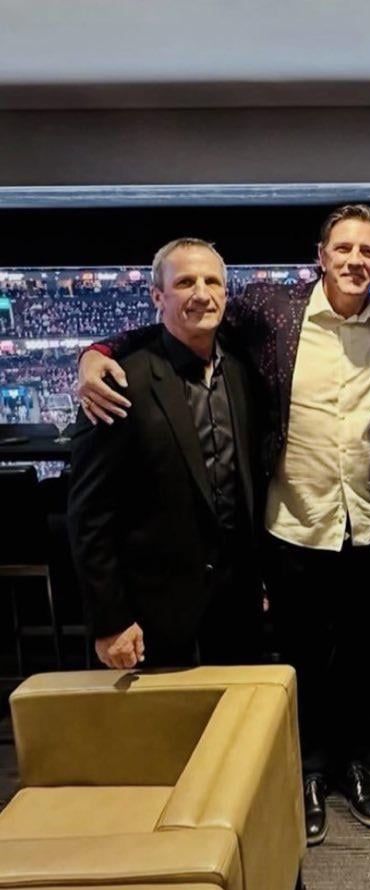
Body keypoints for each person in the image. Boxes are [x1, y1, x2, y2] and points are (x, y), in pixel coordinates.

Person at [76, 205, 370, 847]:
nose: (355, 261)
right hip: (291, 530)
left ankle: (353, 764)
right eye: (343, 248)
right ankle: (309, 772)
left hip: (365, 527)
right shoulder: (274, 314)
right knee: (298, 665)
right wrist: (94, 354)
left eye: (368, 251)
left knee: (363, 662)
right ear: (320, 254)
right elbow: (167, 326)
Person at [69, 238, 263, 669]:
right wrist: (110, 619)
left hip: (238, 609)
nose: (201, 293)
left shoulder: (243, 370)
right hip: (152, 617)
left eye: (212, 281)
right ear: (158, 295)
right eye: (185, 282)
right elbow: (89, 516)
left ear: (225, 294)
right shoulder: (118, 382)